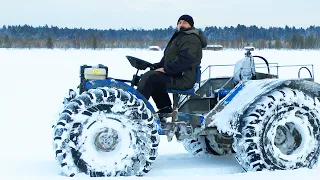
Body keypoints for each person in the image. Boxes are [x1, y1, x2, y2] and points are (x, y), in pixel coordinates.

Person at [137, 14, 207, 114]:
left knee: (151, 78)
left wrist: (166, 69)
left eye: (185, 23)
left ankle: (135, 110)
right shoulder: (180, 37)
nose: (181, 25)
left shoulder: (191, 38)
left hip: (184, 78)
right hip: (176, 74)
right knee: (152, 75)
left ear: (191, 25)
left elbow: (185, 60)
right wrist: (153, 66)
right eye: (179, 23)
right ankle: (164, 108)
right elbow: (167, 59)